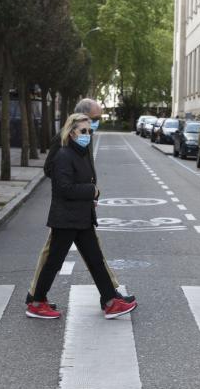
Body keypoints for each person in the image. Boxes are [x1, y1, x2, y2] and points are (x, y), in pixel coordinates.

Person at [26, 113, 138, 320]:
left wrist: (93, 193)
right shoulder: (64, 155)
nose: (87, 135)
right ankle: (36, 302)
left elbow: (87, 181)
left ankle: (110, 301)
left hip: (82, 217)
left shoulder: (80, 152)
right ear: (71, 133)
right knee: (54, 262)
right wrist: (91, 191)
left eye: (89, 131)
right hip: (66, 219)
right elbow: (64, 188)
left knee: (95, 260)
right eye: (83, 131)